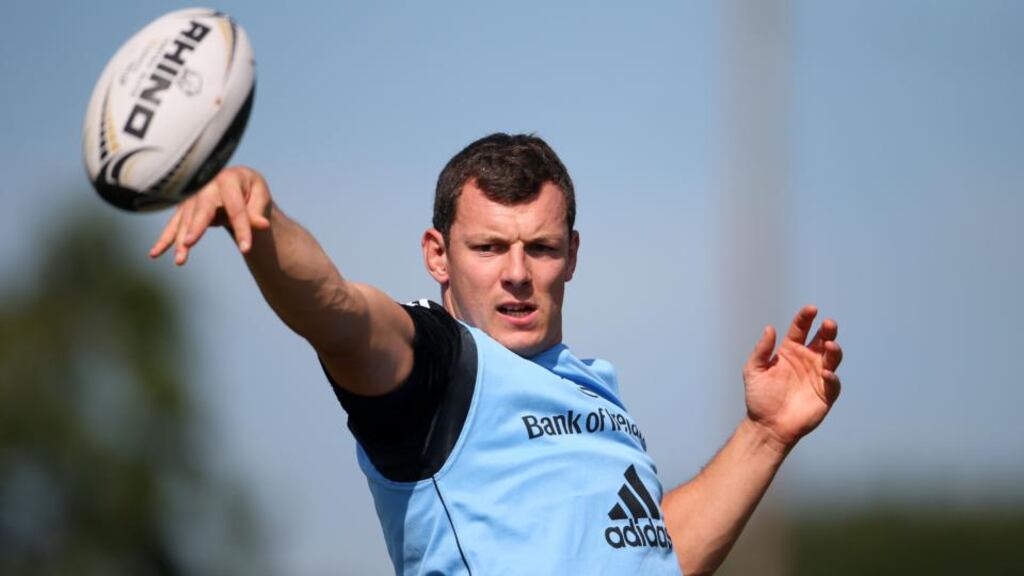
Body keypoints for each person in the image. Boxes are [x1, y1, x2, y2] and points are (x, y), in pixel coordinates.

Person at [150, 133, 843, 575]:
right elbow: (336, 312)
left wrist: (764, 435)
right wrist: (261, 226)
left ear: (571, 256)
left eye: (539, 247)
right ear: (437, 254)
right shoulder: (440, 367)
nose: (516, 271)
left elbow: (656, 558)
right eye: (487, 247)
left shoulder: (593, 389)